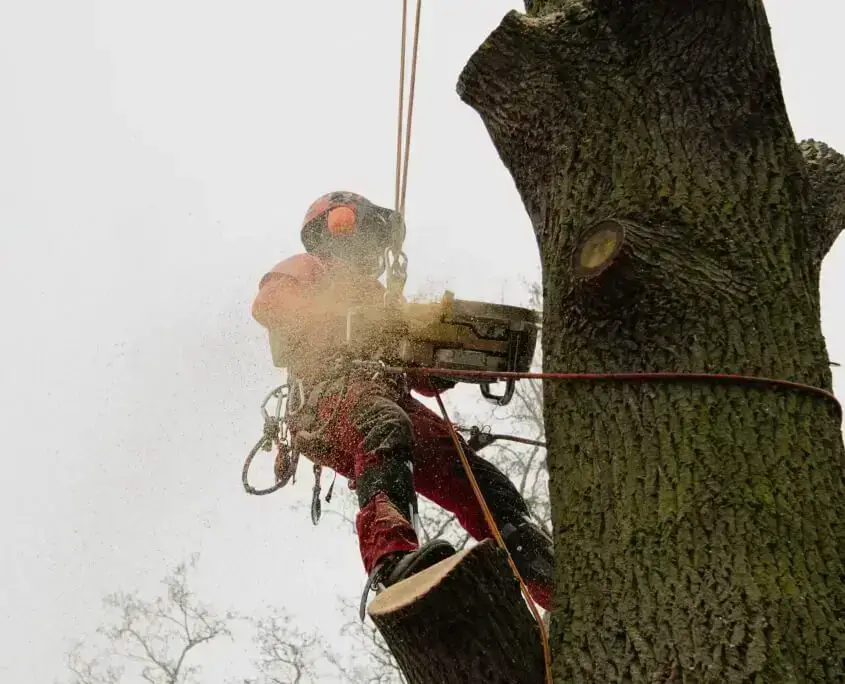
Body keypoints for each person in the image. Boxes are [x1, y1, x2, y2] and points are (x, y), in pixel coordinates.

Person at [251, 191, 554, 612]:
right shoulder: (311, 269)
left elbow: (418, 375)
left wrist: (441, 357)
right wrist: (343, 319)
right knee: (386, 425)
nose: (372, 245)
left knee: (471, 470)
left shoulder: (381, 298)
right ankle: (390, 560)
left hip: (386, 400)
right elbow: (271, 304)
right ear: (333, 228)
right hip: (330, 399)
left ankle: (536, 562)